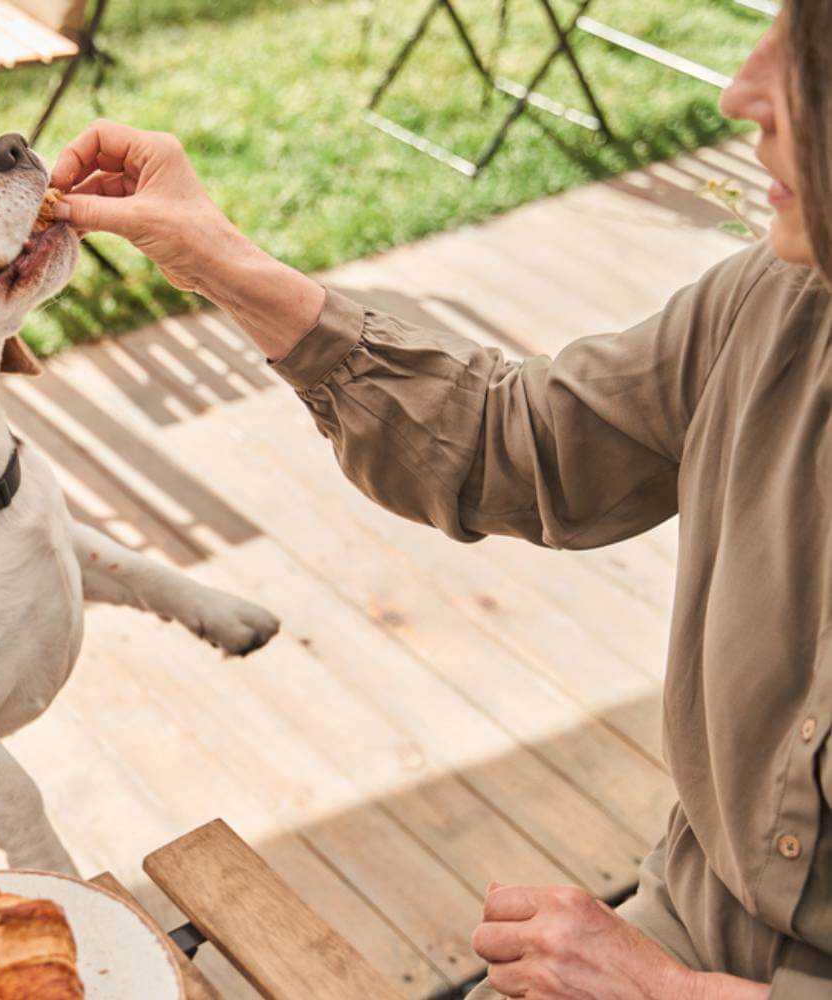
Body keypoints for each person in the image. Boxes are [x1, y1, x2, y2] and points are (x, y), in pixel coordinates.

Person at [47, 3, 832, 997]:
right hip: (680, 928)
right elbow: (527, 443)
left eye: (810, 60)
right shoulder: (781, 300)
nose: (740, 94)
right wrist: (221, 264)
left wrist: (662, 989)